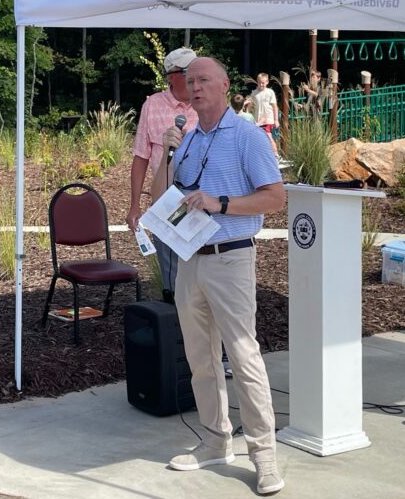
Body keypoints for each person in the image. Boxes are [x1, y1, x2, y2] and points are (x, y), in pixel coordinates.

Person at [152, 57, 286, 494]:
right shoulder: (187, 139)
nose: (195, 87)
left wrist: (221, 203)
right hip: (191, 259)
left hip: (231, 258)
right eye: (189, 81)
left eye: (204, 80)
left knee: (243, 356)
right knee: (200, 359)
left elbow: (275, 198)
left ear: (225, 86)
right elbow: (162, 198)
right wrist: (167, 152)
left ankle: (263, 455)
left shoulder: (247, 135)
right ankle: (214, 441)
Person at [126, 47, 199, 302]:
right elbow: (140, 157)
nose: (196, 78)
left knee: (202, 266)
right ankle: (175, 327)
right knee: (172, 267)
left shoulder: (206, 104)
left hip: (203, 198)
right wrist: (134, 205)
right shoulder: (153, 105)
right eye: (190, 72)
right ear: (172, 76)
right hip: (167, 200)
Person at [244, 72, 278, 156]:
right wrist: (247, 114)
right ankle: (265, 156)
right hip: (257, 120)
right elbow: (250, 105)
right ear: (257, 82)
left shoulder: (270, 92)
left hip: (268, 119)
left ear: (267, 82)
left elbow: (275, 106)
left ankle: (276, 154)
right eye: (259, 82)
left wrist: (276, 120)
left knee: (269, 136)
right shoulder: (254, 93)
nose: (261, 84)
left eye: (263, 82)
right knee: (260, 139)